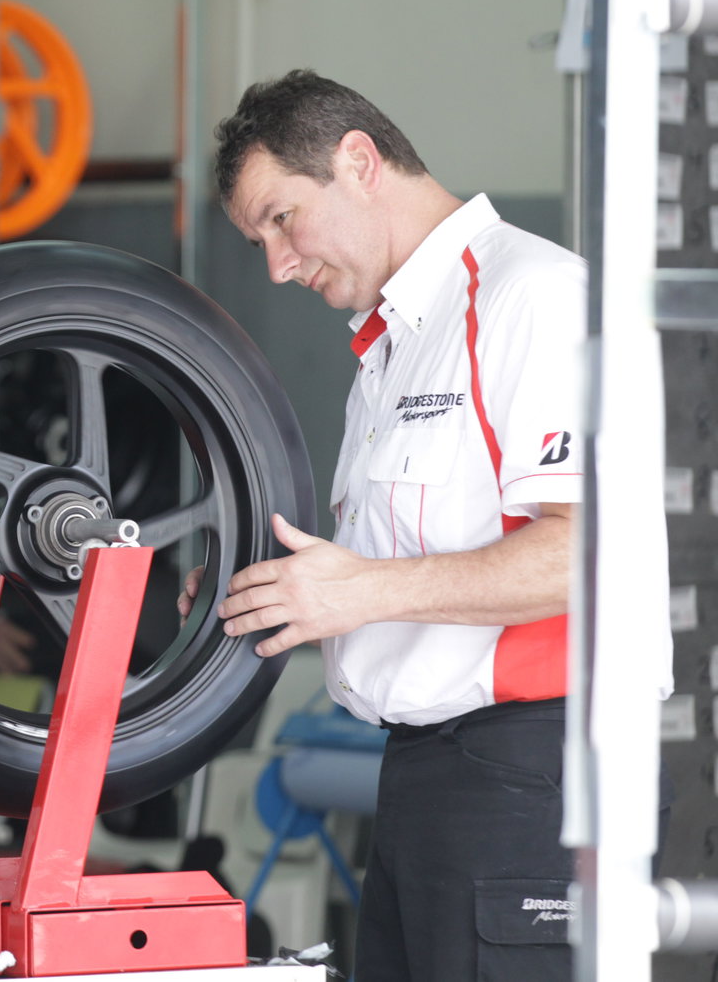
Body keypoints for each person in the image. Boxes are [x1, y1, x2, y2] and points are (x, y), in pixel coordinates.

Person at [188, 70, 671, 978]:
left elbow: (594, 551)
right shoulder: (398, 341)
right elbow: (405, 574)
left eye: (281, 219)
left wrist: (360, 589)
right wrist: (280, 592)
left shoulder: (533, 297)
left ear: (358, 161)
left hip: (539, 776)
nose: (276, 265)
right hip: (426, 781)